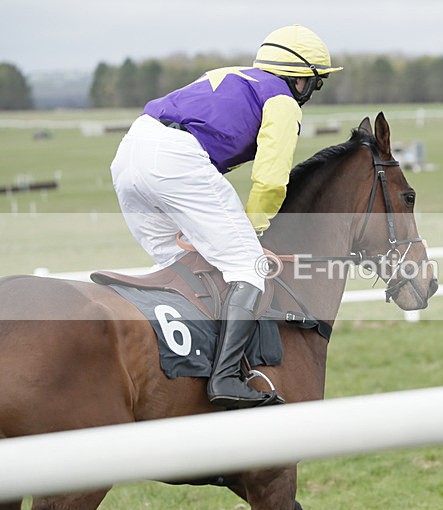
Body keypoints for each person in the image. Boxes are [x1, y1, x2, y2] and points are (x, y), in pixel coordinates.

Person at [110, 25, 342, 408]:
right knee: (248, 267)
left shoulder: (235, 76)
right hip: (176, 160)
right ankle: (225, 378)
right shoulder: (281, 101)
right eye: (314, 84)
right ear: (301, 79)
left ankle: (185, 374)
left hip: (129, 153)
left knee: (187, 265)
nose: (312, 93)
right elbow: (269, 181)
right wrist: (253, 235)